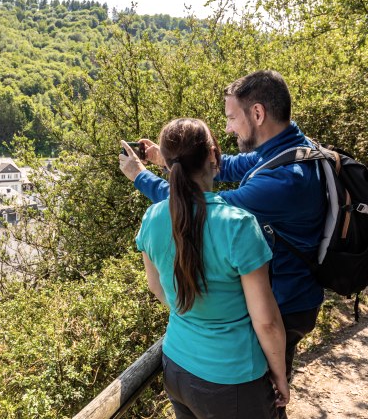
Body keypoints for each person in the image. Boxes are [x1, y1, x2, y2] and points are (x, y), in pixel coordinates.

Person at [119, 70, 325, 419]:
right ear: (211, 156)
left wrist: (143, 175)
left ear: (257, 114)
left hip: (284, 305)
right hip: (244, 347)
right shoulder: (286, 151)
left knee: (273, 388)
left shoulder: (285, 181)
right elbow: (225, 167)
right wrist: (170, 160)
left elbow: (196, 207)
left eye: (231, 118)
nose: (229, 128)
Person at [126, 118, 289, 419]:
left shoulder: (153, 217)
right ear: (213, 156)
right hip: (234, 378)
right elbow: (266, 321)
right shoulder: (238, 225)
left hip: (177, 367)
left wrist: (191, 311)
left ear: (166, 163)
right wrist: (280, 376)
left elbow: (155, 286)